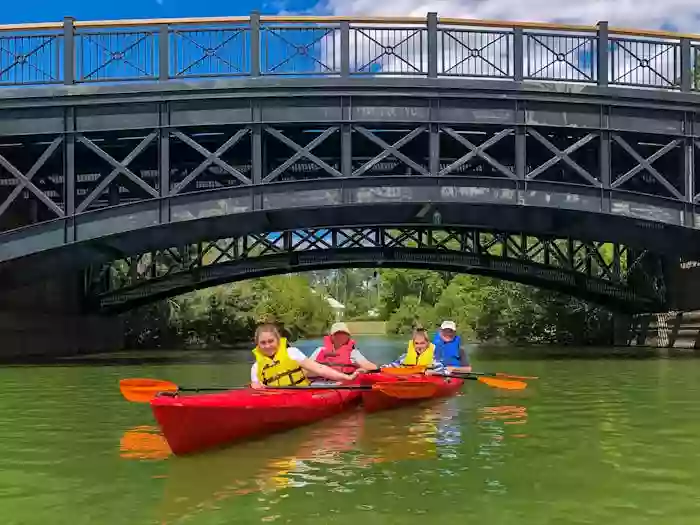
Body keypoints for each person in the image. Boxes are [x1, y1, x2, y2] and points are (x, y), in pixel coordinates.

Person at [250, 323, 359, 388]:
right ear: (257, 345)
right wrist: (255, 386)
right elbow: (255, 387)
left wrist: (347, 377)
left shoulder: (291, 353)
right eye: (263, 343)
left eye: (271, 341)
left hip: (301, 392)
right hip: (275, 398)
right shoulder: (256, 367)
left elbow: (319, 368)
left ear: (278, 341)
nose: (268, 346)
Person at [309, 322, 378, 376]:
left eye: (344, 334)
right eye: (337, 334)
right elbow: (306, 366)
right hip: (318, 383)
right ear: (332, 336)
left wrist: (364, 370)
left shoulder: (353, 353)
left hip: (343, 384)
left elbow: (373, 367)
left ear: (348, 337)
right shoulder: (320, 350)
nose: (341, 336)